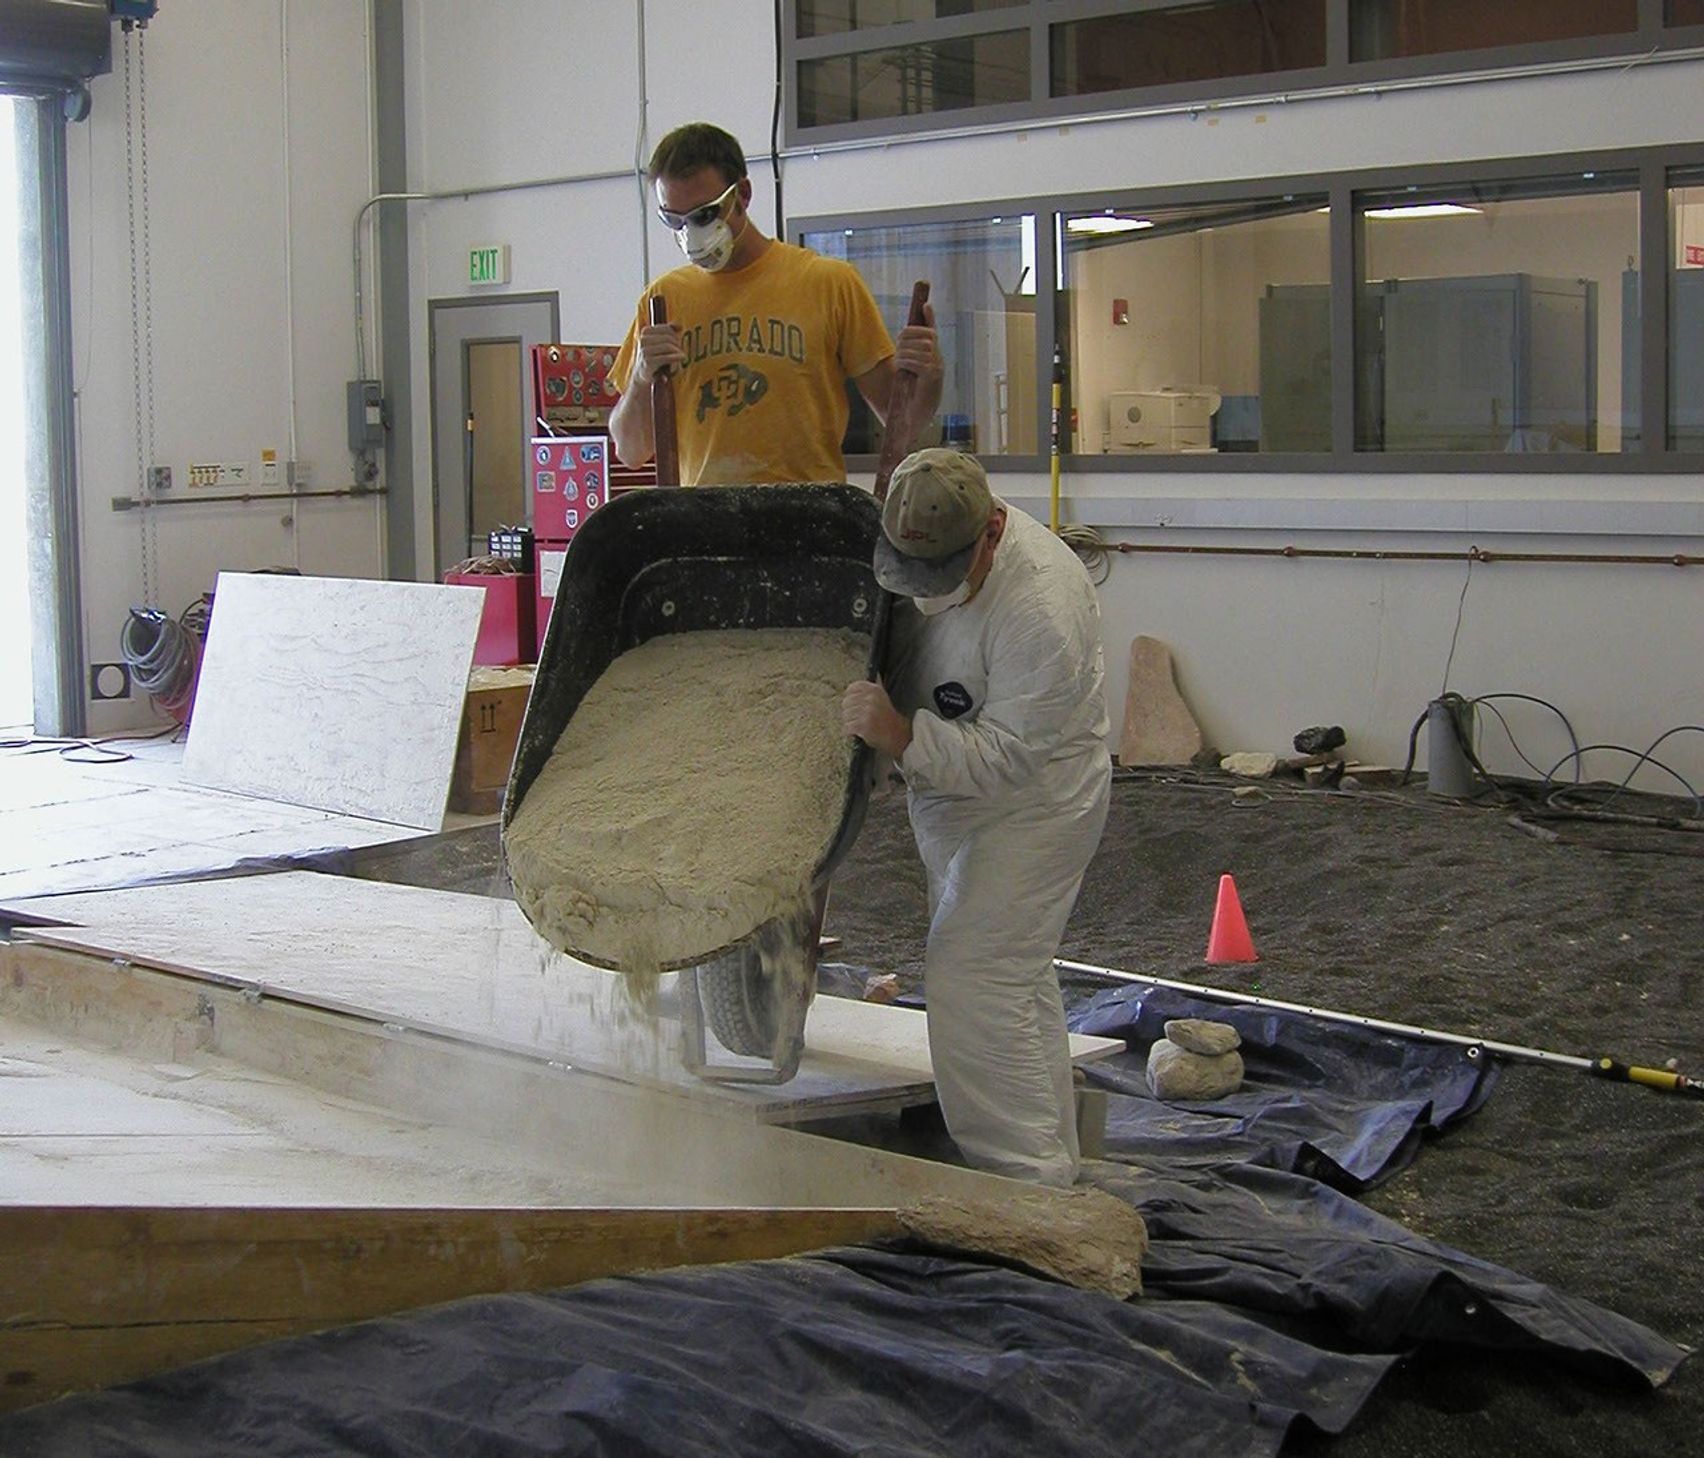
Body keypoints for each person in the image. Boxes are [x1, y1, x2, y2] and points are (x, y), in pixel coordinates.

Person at [841, 449, 1111, 1187]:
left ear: (991, 531)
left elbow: (1009, 756)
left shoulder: (1040, 609)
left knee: (971, 978)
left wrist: (900, 736)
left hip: (1034, 807)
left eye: (943, 575)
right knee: (1012, 978)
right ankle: (1053, 1160)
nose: (926, 595)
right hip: (951, 800)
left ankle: (1024, 1185)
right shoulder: (916, 546)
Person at [609, 122, 943, 485]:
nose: (691, 235)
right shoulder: (663, 301)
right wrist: (642, 378)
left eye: (705, 215)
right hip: (706, 530)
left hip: (809, 525)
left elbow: (902, 426)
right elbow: (630, 450)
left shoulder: (829, 284)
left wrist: (928, 375)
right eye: (674, 220)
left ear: (744, 194)